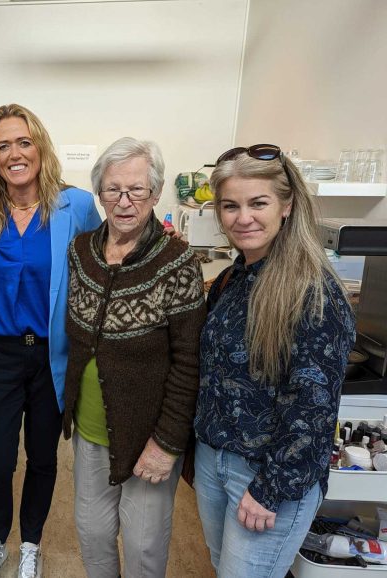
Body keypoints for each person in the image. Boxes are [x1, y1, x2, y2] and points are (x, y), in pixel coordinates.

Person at [193, 144, 356, 577]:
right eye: (231, 206)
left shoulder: (312, 291)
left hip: (268, 476)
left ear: (286, 206)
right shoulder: (232, 279)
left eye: (258, 203)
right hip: (215, 462)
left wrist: (271, 489)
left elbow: (313, 406)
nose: (243, 217)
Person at [0, 104, 102, 578]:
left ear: (40, 147)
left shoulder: (75, 206)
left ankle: (30, 544)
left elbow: (103, 262)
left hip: (50, 354)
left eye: (24, 142)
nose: (15, 153)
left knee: (43, 457)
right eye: (3, 145)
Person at [62, 137, 206, 578]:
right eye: (113, 189)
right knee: (93, 533)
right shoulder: (80, 251)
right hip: (90, 428)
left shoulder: (178, 261)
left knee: (144, 548)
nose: (124, 201)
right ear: (99, 193)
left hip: (148, 435)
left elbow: (189, 361)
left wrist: (167, 443)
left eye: (136, 190)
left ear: (155, 193)